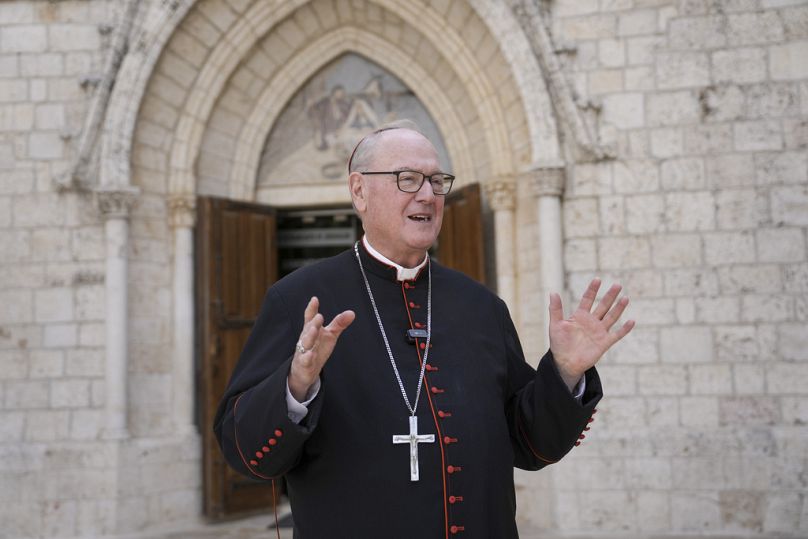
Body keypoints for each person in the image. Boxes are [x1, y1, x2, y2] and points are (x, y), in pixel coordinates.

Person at [213, 123, 634, 538]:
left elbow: (529, 443)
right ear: (359, 191)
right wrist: (296, 384)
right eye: (408, 179)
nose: (428, 195)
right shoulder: (298, 301)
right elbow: (245, 452)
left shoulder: (481, 306)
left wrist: (564, 373)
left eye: (437, 181)